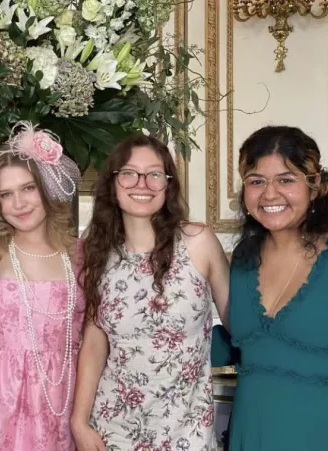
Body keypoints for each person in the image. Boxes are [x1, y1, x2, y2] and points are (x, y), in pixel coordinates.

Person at [217, 125, 328, 450]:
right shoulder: (244, 257)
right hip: (253, 433)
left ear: (315, 185)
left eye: (286, 179)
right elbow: (249, 344)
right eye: (256, 181)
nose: (269, 194)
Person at [71, 133, 230, 451]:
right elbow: (95, 340)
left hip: (187, 431)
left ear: (168, 184)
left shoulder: (198, 242)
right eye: (129, 173)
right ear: (113, 183)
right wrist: (79, 421)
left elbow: (239, 323)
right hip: (112, 429)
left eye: (154, 174)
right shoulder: (98, 252)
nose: (142, 183)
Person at [0, 122, 86, 450]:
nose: (19, 203)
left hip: (62, 396)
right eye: (6, 194)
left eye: (28, 188)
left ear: (47, 187)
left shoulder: (81, 255)